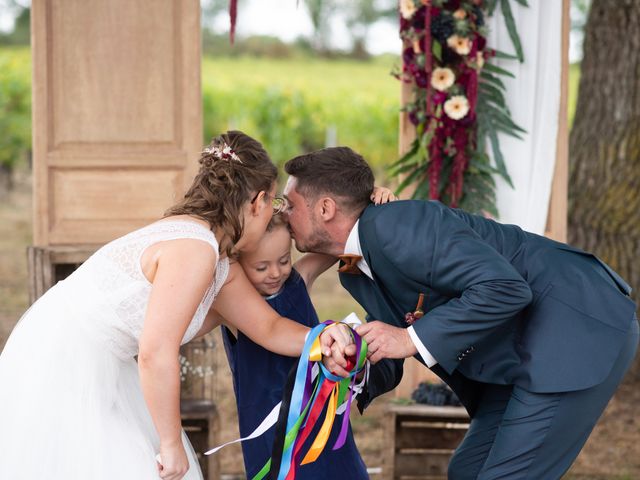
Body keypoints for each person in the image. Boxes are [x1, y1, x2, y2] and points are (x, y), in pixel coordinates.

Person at [0, 131, 353, 480]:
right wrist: (170, 444)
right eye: (275, 203)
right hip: (68, 359)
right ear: (256, 202)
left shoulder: (217, 258)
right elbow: (155, 352)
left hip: (101, 358)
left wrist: (323, 338)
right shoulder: (194, 249)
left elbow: (268, 328)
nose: (275, 214)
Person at [282, 146, 639, 480]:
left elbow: (504, 288)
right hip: (521, 350)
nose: (282, 214)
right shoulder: (355, 267)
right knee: (467, 471)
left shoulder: (396, 226)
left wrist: (407, 338)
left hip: (574, 327)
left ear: (326, 208)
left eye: (289, 204)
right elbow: (392, 342)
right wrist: (354, 367)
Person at [218, 186, 395, 479]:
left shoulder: (298, 281)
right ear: (237, 264)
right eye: (261, 267)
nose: (276, 273)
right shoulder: (233, 310)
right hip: (271, 429)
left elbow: (344, 239)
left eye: (284, 260)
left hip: (322, 419)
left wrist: (370, 202)